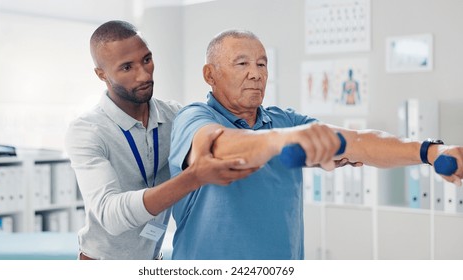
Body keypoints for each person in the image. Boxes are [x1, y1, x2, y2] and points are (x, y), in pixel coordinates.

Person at [168, 29, 463, 260]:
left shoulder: (285, 121)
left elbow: (356, 141)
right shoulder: (194, 117)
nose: (255, 73)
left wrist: (430, 151)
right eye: (241, 63)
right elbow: (217, 149)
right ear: (210, 75)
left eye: (262, 64)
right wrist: (287, 139)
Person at [64, 21, 255, 260]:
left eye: (147, 60)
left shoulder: (175, 115)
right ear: (101, 74)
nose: (144, 75)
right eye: (126, 68)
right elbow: (110, 216)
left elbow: (218, 136)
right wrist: (194, 177)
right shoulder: (87, 130)